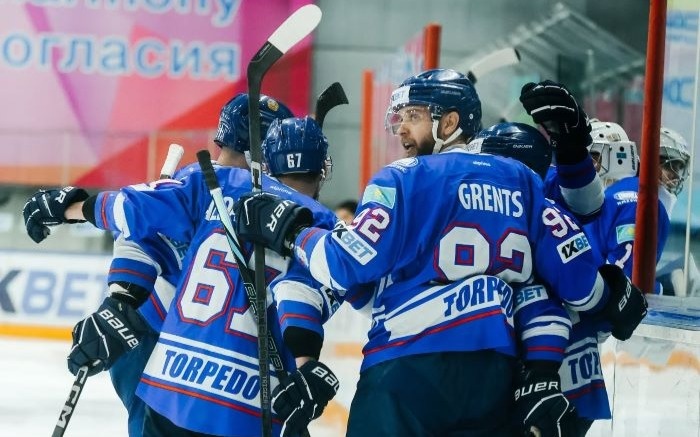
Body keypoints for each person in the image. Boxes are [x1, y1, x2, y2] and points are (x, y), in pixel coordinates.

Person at [232, 69, 647, 437]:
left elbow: (344, 265)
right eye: (399, 118)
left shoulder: (403, 178)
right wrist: (611, 293)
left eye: (412, 116)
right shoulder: (521, 180)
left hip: (407, 370)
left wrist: (291, 231)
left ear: (449, 122)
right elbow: (580, 287)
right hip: (493, 376)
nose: (401, 130)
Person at [23, 116, 340, 437]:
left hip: (170, 385)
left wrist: (70, 208)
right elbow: (298, 297)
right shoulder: (322, 225)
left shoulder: (218, 183)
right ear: (321, 170)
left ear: (265, 161)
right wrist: (306, 365)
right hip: (247, 402)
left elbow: (133, 210)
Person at [101, 93, 295, 437]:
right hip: (156, 336)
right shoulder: (224, 190)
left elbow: (133, 230)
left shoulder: (195, 182)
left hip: (162, 336)